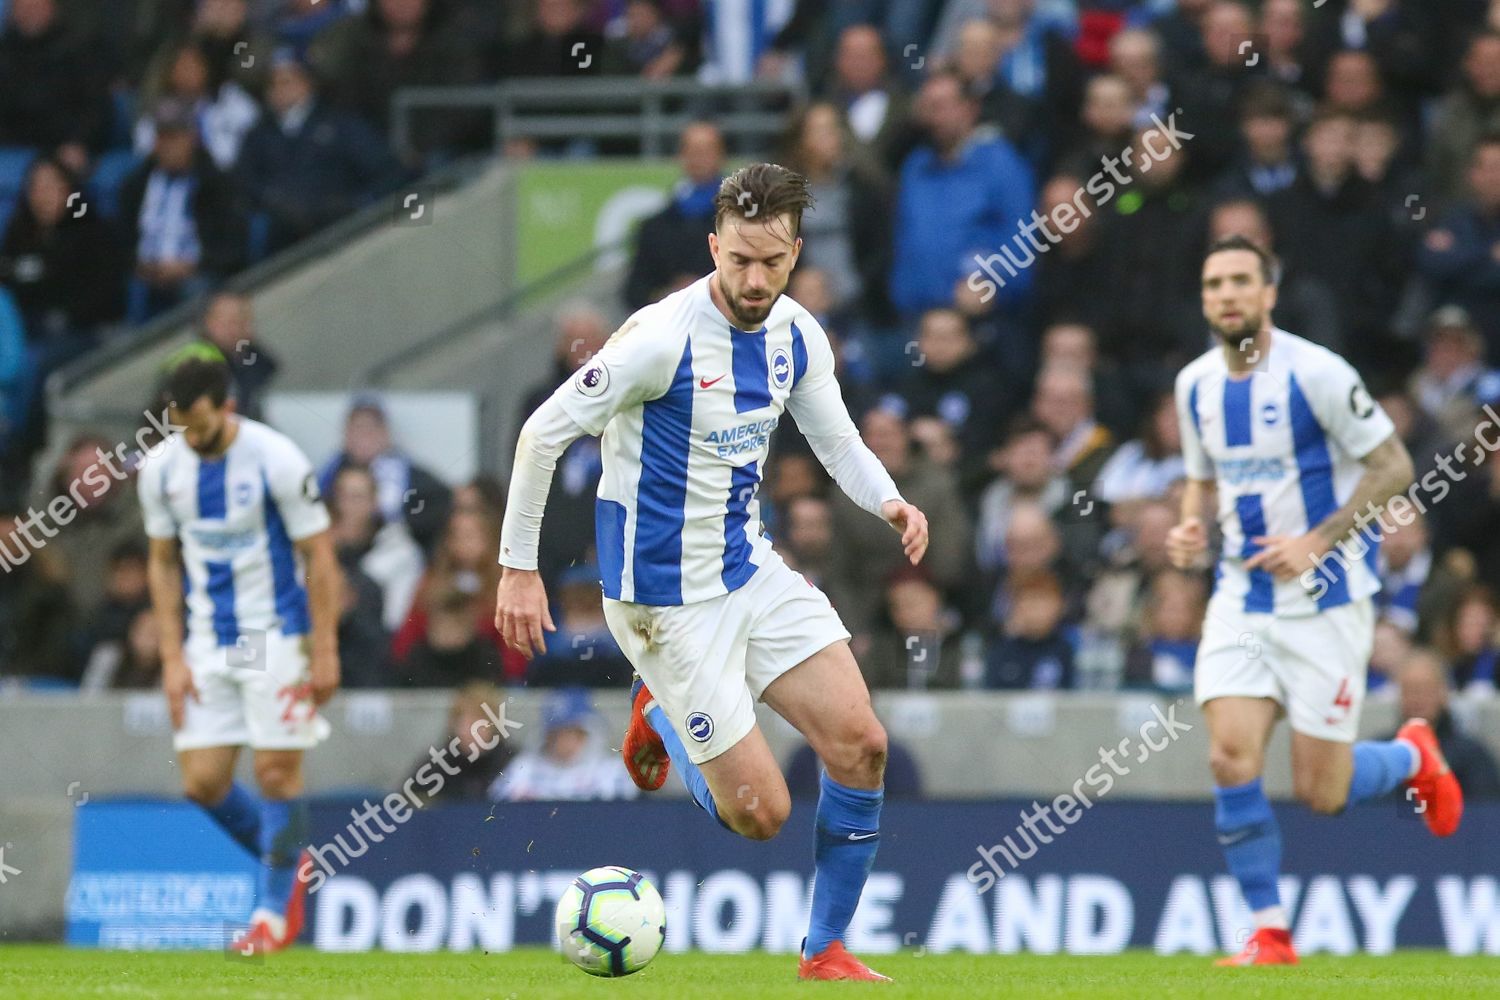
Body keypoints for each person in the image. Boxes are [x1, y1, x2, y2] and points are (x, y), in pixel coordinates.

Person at [494, 163, 929, 982]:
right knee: (761, 816)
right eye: (737, 260)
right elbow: (542, 435)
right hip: (663, 605)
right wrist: (519, 568)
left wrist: (892, 502)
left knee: (862, 745)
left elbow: (835, 441)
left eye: (770, 261)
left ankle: (825, 949)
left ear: (796, 251)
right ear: (713, 246)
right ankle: (656, 709)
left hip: (747, 568)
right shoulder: (659, 339)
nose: (753, 278)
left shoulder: (798, 333)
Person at [1168, 234, 1463, 967]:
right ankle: (1269, 933)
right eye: (1213, 285)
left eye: (1241, 281)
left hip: (1327, 598)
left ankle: (1409, 755)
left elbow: (1393, 465)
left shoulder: (1319, 373)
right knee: (1232, 759)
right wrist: (1188, 523)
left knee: (1321, 792)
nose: (1227, 295)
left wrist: (1321, 540)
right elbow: (1202, 476)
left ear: (1269, 293)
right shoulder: (1195, 384)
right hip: (1242, 593)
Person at [138, 353, 341, 955]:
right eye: (181, 427)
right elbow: (162, 561)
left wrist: (323, 647)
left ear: (226, 406)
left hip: (272, 635)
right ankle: (290, 865)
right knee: (203, 782)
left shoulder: (275, 458)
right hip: (208, 641)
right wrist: (172, 658)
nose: (193, 439)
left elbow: (319, 554)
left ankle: (271, 917)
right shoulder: (160, 469)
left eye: (200, 426)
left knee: (276, 772)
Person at [622, 121, 724, 310]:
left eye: (706, 151)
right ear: (681, 156)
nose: (699, 159)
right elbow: (635, 289)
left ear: (720, 156)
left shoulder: (740, 223)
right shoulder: (656, 227)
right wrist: (668, 295)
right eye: (692, 151)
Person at [1387, 649, 1500, 800]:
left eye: (1425, 689)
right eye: (1410, 690)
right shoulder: (1384, 754)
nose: (1417, 699)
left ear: (1443, 692)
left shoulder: (1472, 756)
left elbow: (1485, 813)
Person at [489, 687, 638, 801]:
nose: (563, 740)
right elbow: (496, 811)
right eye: (556, 733)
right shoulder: (524, 769)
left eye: (571, 732)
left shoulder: (611, 771)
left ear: (587, 733)